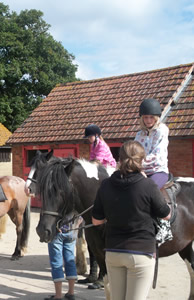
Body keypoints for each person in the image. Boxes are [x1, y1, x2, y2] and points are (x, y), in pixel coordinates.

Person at [92, 141, 171, 300]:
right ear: (142, 160)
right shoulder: (148, 185)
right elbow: (166, 214)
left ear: (119, 159)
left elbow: (96, 221)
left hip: (113, 252)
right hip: (140, 252)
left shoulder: (106, 184)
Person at [81, 124, 116, 288]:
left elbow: (97, 162)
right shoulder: (94, 145)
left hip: (109, 170)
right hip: (100, 168)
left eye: (90, 136)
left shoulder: (101, 145)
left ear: (96, 135)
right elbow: (91, 160)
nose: (88, 139)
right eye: (88, 137)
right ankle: (93, 273)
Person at [134, 98, 169, 189]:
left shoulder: (162, 131)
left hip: (158, 171)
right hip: (140, 170)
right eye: (146, 117)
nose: (148, 120)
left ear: (156, 118)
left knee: (149, 190)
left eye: (151, 117)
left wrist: (137, 163)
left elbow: (157, 154)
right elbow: (133, 151)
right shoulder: (139, 134)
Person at [44, 214, 77, 300]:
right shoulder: (74, 201)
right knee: (70, 260)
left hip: (57, 232)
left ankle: (58, 295)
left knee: (56, 262)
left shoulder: (57, 199)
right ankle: (71, 292)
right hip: (72, 231)